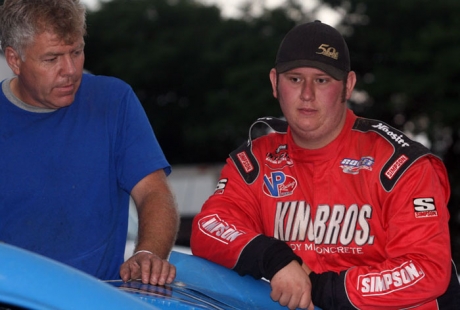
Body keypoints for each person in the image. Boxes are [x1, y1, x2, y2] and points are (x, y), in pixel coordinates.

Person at [190, 20, 460, 309]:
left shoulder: (401, 165)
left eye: (322, 80)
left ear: (348, 86)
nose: (307, 94)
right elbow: (208, 227)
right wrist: (273, 258)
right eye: (294, 79)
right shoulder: (255, 161)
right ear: (274, 83)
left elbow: (427, 270)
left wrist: (320, 289)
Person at [0, 0, 179, 286]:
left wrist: (148, 253)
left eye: (77, 51)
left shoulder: (113, 100)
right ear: (14, 60)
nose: (70, 70)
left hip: (99, 297)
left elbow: (153, 192)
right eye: (52, 58)